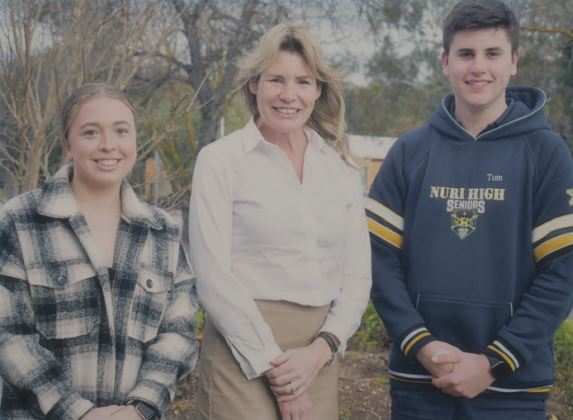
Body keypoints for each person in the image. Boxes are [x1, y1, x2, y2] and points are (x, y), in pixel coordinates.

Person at [368, 0, 573, 419]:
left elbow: (564, 270)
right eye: (466, 54)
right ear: (445, 61)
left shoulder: (547, 152)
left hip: (512, 389)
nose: (478, 66)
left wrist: (495, 361)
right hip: (418, 383)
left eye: (492, 53)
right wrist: (420, 344)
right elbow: (377, 259)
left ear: (515, 62)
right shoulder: (410, 151)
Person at [189, 21, 371, 420]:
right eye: (276, 80)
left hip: (317, 356)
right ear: (254, 85)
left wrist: (321, 349)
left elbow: (357, 276)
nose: (289, 95)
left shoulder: (340, 169)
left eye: (303, 82)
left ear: (318, 90)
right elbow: (212, 277)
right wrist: (280, 373)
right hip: (244, 352)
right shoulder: (221, 161)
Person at [0, 83, 198, 420]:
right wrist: (79, 414)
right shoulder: (20, 220)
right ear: (67, 143)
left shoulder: (163, 231)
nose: (109, 145)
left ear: (134, 139)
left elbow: (178, 334)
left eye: (121, 131)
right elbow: (9, 335)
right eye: (90, 132)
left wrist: (140, 409)